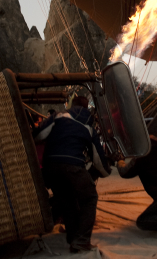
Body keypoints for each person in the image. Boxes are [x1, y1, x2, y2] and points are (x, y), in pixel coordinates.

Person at [36, 96, 111, 253]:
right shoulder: (88, 125)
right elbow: (97, 157)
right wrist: (106, 170)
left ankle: (73, 237)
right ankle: (82, 240)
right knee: (90, 198)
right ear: (87, 108)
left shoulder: (58, 116)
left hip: (51, 167)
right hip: (73, 165)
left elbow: (39, 135)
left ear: (72, 105)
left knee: (67, 200)